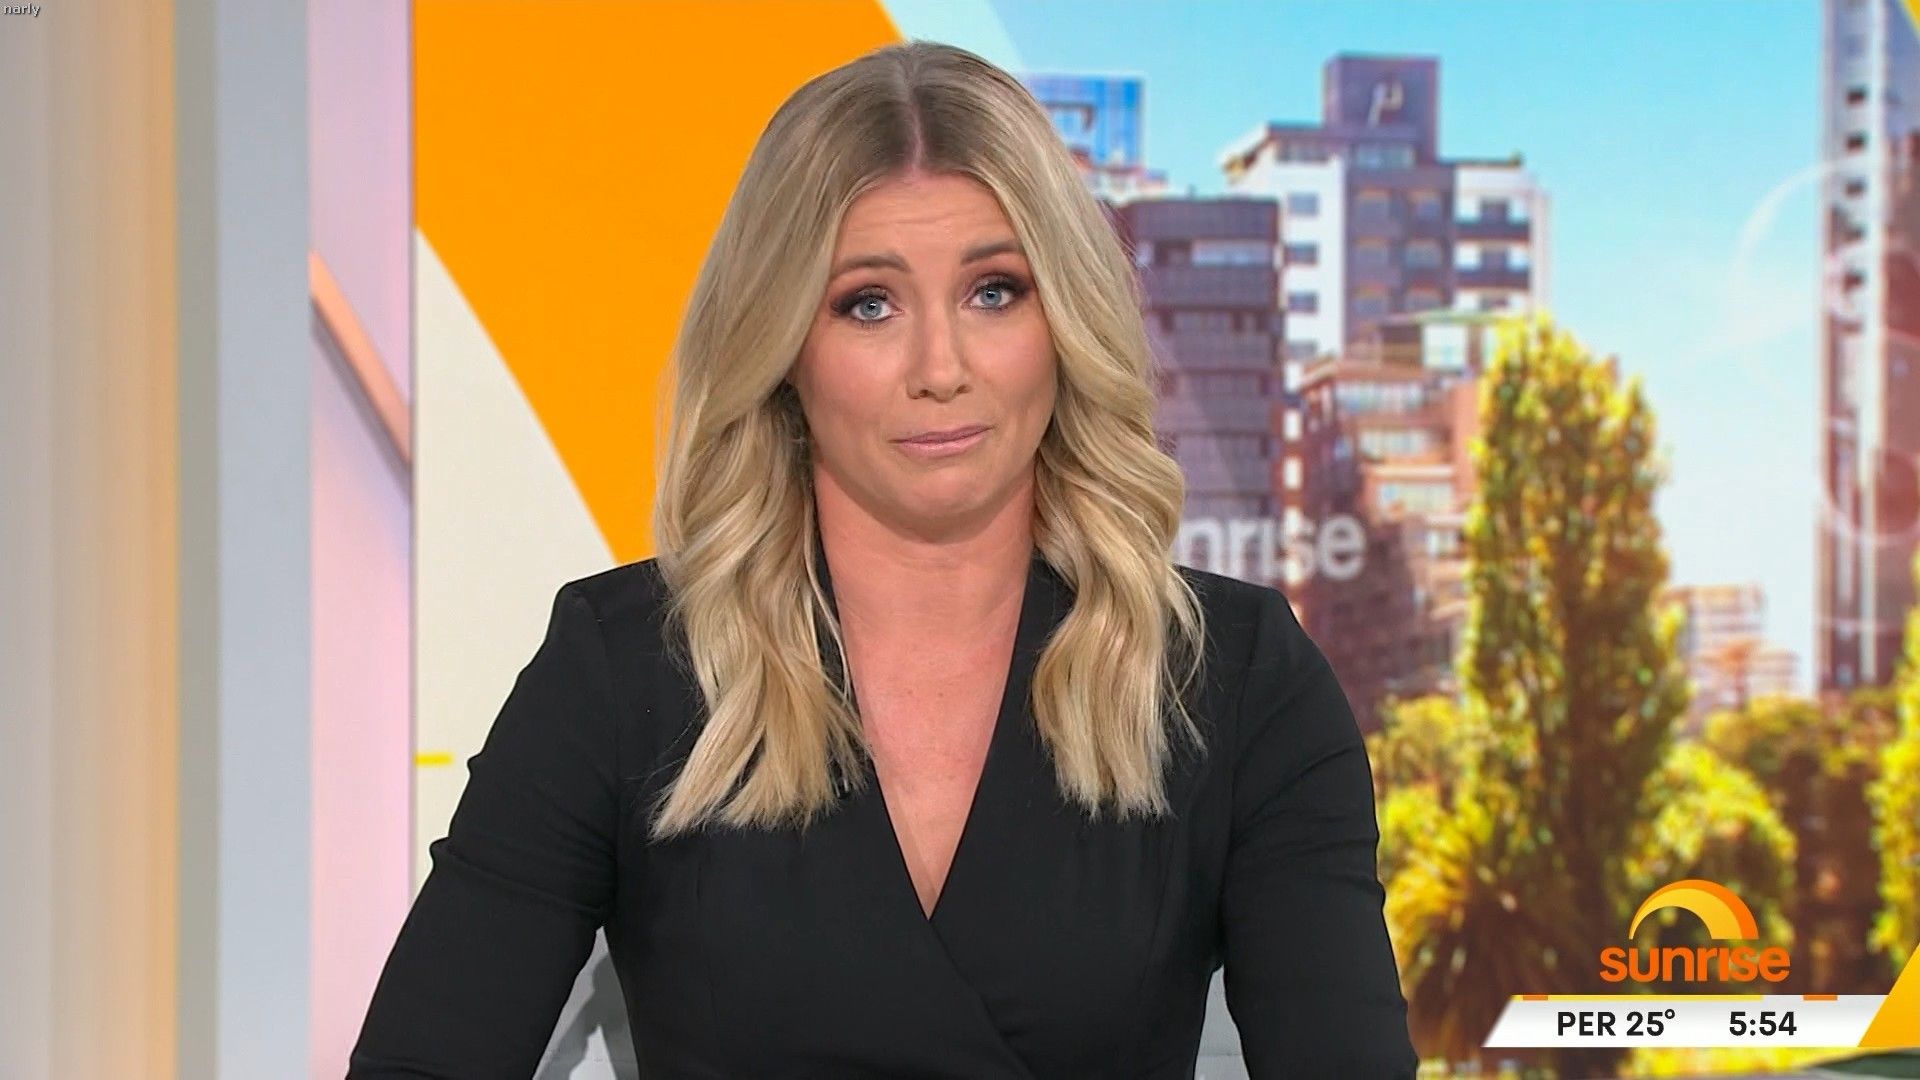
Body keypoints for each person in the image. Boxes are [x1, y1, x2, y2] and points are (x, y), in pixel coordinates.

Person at [349, 40, 1418, 1079]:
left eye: (994, 291)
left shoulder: (1236, 679)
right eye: (869, 304)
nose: (940, 367)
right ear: (783, 347)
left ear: (1064, 322)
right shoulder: (624, 669)